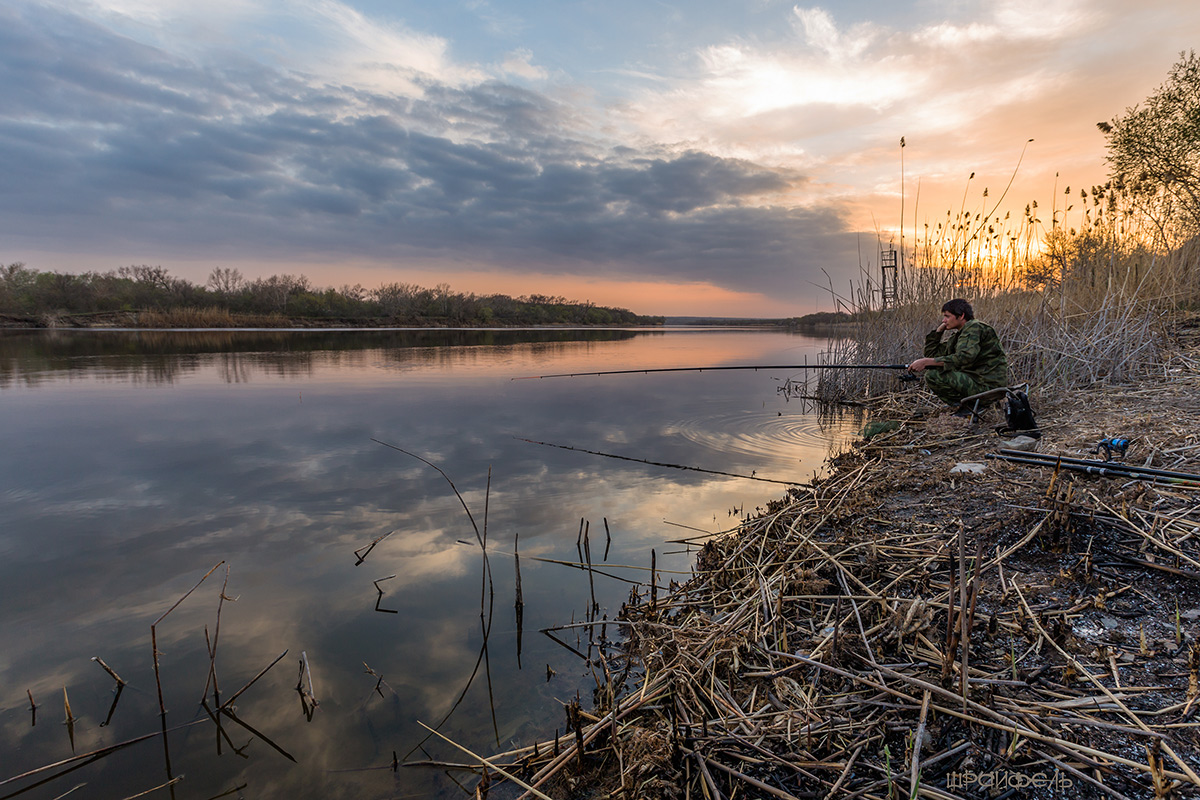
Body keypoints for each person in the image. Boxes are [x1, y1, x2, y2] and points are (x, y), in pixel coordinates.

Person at [906, 298, 1008, 406]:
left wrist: (927, 362)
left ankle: (970, 406)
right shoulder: (960, 335)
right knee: (935, 369)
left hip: (988, 388)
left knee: (933, 375)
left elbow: (964, 357)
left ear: (961, 316)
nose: (943, 321)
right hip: (979, 383)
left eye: (947, 316)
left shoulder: (974, 327)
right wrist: (938, 332)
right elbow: (933, 354)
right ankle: (967, 406)